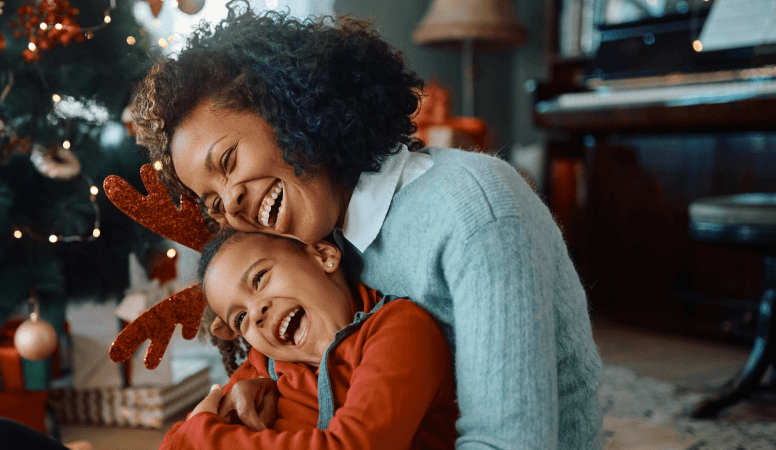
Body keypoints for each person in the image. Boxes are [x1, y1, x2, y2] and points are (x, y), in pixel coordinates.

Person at [130, 2, 604, 449]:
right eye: (212, 202)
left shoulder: (473, 211)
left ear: (285, 106)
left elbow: (510, 442)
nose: (231, 202)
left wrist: (207, 437)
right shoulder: (320, 237)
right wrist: (256, 382)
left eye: (228, 160)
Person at [163, 228, 457, 449]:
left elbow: (355, 444)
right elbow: (173, 443)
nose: (256, 312)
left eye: (259, 279)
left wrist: (203, 433)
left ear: (323, 255)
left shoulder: (400, 329)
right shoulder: (263, 369)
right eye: (240, 319)